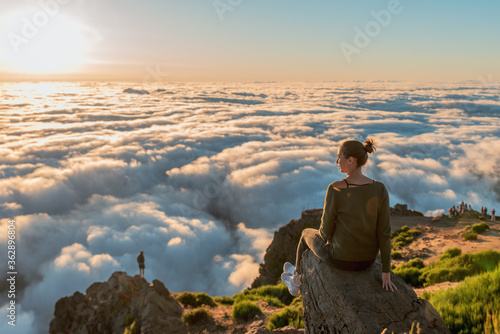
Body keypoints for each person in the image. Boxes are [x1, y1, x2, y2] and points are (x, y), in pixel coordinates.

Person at [281, 138, 397, 296]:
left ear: (350, 160)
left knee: (305, 234)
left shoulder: (335, 189)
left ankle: (296, 281)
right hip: (368, 261)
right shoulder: (380, 188)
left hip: (341, 260)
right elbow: (384, 233)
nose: (336, 161)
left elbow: (324, 232)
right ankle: (296, 273)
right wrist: (385, 273)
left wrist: (332, 240)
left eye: (339, 156)